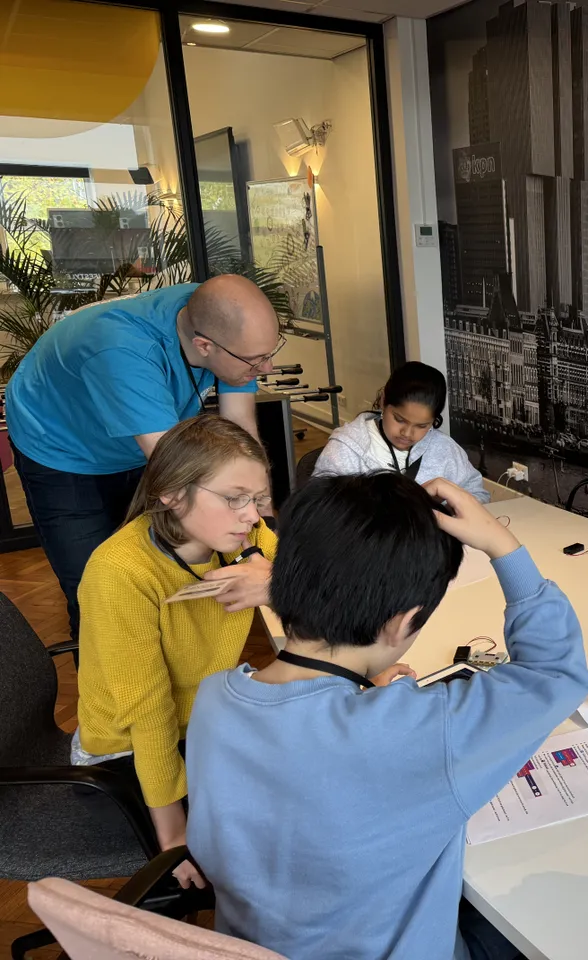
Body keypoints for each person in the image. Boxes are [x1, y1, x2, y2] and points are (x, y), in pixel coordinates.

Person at [185, 472, 588, 960]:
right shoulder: (416, 731)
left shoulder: (213, 702)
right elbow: (555, 671)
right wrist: (501, 544)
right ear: (403, 621)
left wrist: (361, 695)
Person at [7, 274, 283, 639]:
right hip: (62, 449)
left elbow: (241, 429)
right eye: (255, 361)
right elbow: (181, 470)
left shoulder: (227, 324)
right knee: (93, 591)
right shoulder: (123, 350)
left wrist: (261, 513)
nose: (265, 370)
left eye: (269, 354)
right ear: (203, 346)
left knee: (166, 561)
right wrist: (254, 552)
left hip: (149, 439)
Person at [72, 415, 276, 888]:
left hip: (201, 723)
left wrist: (275, 578)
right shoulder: (121, 572)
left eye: (257, 499)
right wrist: (173, 836)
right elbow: (148, 714)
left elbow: (308, 571)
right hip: (127, 758)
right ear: (170, 492)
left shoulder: (239, 540)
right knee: (268, 829)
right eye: (234, 499)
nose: (252, 516)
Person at [311, 361, 489, 501]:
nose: (407, 433)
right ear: (383, 402)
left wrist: (447, 513)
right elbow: (318, 508)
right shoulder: (345, 450)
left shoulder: (446, 450)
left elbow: (477, 494)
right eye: (399, 419)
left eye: (422, 426)